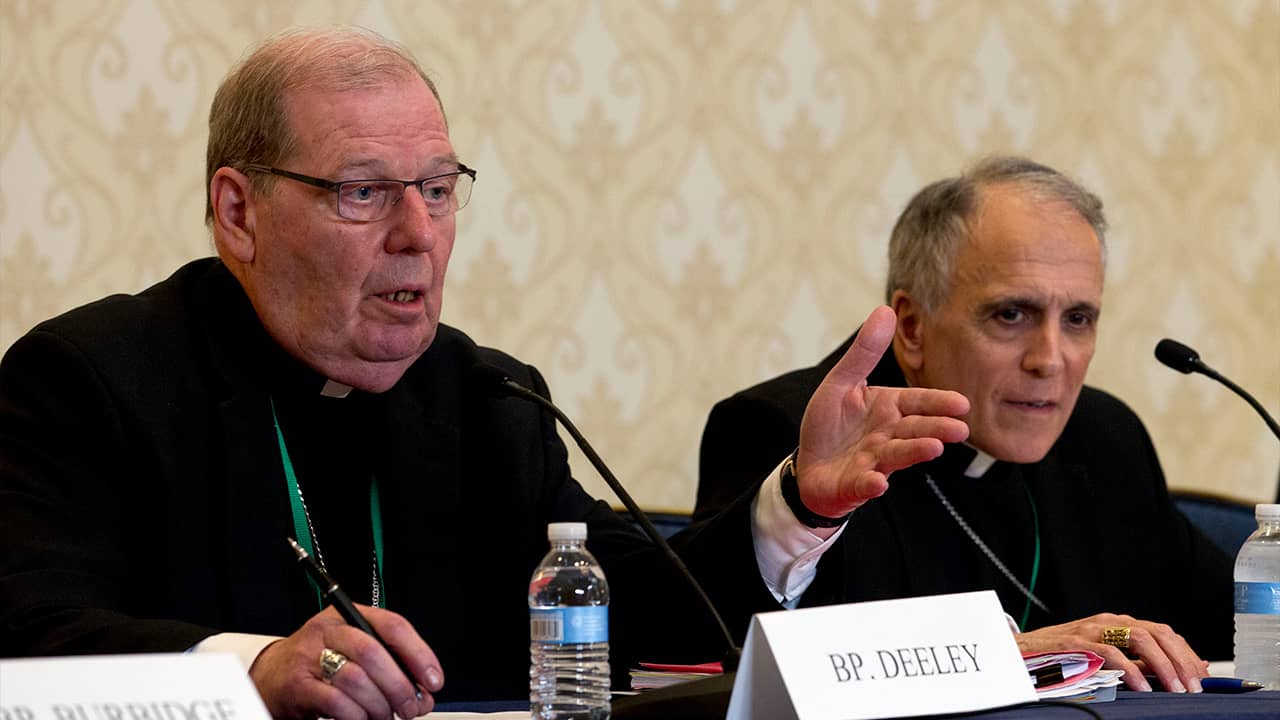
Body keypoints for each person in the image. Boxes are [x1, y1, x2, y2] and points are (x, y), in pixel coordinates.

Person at [0, 27, 970, 718]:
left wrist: (797, 503)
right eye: (362, 192)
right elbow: (28, 634)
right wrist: (249, 671)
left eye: (436, 188)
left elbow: (629, 607)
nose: (417, 234)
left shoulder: (483, 396)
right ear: (238, 212)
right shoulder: (90, 382)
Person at [697, 156, 1234, 694]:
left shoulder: (1105, 437)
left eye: (1077, 319)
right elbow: (728, 657)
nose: (1049, 360)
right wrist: (1003, 653)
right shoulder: (791, 436)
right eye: (1011, 314)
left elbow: (1236, 623)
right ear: (912, 326)